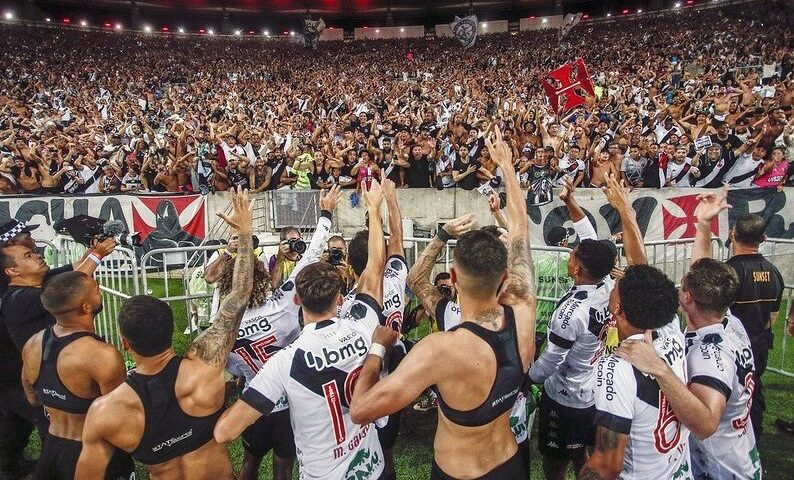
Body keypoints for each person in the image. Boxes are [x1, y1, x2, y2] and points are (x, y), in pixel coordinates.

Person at [350, 127, 536, 479]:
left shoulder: (440, 349)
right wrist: (507, 168)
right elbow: (521, 231)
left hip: (460, 471)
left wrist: (376, 350)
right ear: (504, 277)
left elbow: (361, 409)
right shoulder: (524, 308)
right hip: (510, 463)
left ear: (452, 277)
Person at [75, 187, 255, 480]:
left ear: (125, 343)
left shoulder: (106, 412)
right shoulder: (206, 368)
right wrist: (245, 234)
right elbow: (238, 297)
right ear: (171, 330)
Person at [214, 180, 388, 480]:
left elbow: (224, 430)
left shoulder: (276, 357)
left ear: (299, 300)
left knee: (252, 463)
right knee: (283, 467)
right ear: (339, 298)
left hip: (274, 405)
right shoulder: (362, 326)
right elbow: (373, 270)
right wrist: (367, 210)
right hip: (370, 464)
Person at [617, 186, 762, 480]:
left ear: (688, 298)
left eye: (683, 286)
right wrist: (704, 225)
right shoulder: (726, 318)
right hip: (737, 455)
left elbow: (706, 422)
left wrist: (659, 368)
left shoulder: (711, 356)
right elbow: (703, 270)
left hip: (724, 471)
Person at [529, 172, 646, 480]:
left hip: (565, 397)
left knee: (555, 462)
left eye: (573, 253)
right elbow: (588, 235)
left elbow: (550, 361)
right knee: (582, 452)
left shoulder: (570, 313)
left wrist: (527, 376)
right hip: (594, 391)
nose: (571, 253)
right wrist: (569, 201)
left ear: (577, 268)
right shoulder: (609, 285)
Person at [224, 186, 341, 480]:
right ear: (264, 278)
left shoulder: (226, 323)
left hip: (254, 400)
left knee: (249, 463)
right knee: (283, 468)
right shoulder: (284, 304)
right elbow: (311, 255)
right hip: (288, 401)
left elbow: (229, 367)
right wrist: (325, 214)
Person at [578, 177, 692, 479]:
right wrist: (626, 212)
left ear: (617, 309)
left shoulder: (617, 368)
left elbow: (605, 466)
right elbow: (641, 266)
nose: (617, 279)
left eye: (618, 284)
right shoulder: (668, 328)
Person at [0, 220, 115, 479]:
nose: (37, 251)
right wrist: (97, 256)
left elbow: (69, 271)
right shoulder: (20, 299)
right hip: (41, 381)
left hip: (45, 377)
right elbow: (71, 288)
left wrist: (91, 253)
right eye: (28, 254)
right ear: (12, 271)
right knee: (58, 439)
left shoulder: (35, 284)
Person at [20, 272, 134, 479]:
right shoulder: (101, 355)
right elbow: (119, 417)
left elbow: (32, 396)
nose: (100, 292)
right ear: (86, 307)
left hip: (52, 448)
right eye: (97, 291)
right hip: (95, 453)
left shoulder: (32, 344)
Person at [724, 213, 784, 443]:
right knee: (754, 389)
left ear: (733, 235)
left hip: (731, 350)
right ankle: (753, 437)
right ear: (764, 238)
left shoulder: (728, 272)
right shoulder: (774, 272)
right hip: (758, 346)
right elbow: (773, 316)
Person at [269, 226, 303, 290]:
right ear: (283, 242)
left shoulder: (303, 260)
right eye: (292, 241)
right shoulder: (275, 259)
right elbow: (274, 285)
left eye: (298, 240)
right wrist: (280, 259)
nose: (296, 244)